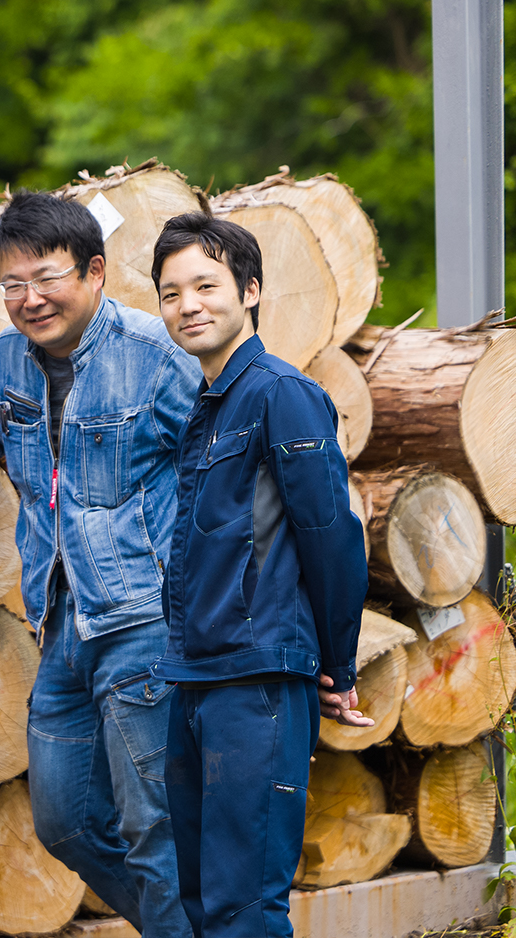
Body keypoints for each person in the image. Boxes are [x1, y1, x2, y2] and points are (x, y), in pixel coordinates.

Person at [0, 192, 198, 935]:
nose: (30, 299)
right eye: (12, 284)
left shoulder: (154, 355)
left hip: (144, 619)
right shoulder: (10, 359)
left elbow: (226, 465)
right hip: (60, 625)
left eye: (46, 277)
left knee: (154, 827)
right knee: (66, 819)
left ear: (95, 271)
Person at [148, 211, 370, 938]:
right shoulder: (204, 409)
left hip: (258, 682)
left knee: (245, 909)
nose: (189, 305)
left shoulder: (281, 393)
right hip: (196, 678)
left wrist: (334, 663)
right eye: (171, 291)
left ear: (249, 290)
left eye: (205, 285)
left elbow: (329, 536)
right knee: (205, 902)